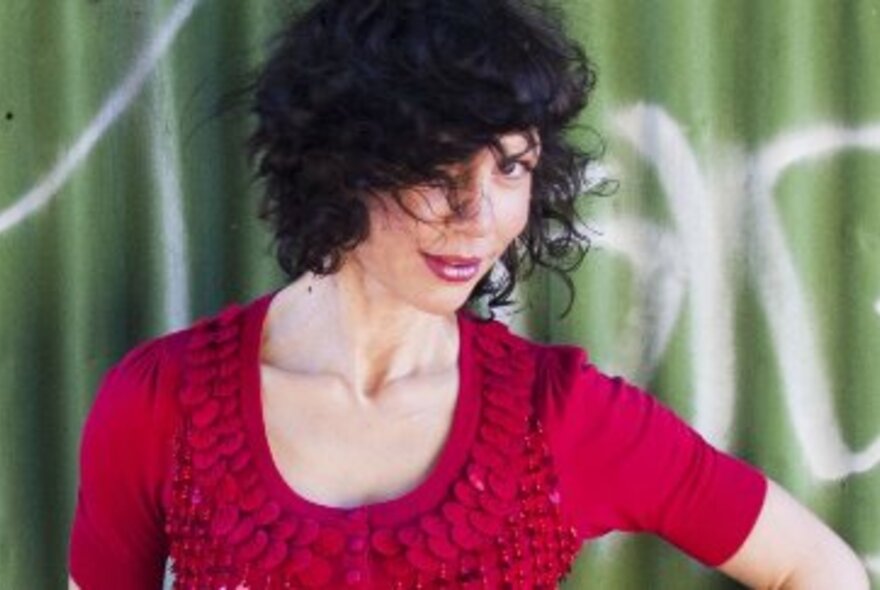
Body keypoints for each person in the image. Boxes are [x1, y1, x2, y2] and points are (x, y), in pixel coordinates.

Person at [68, 0, 869, 588]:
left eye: (511, 167)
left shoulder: (555, 416)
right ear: (340, 162)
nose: (479, 218)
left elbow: (818, 569)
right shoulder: (161, 402)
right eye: (437, 169)